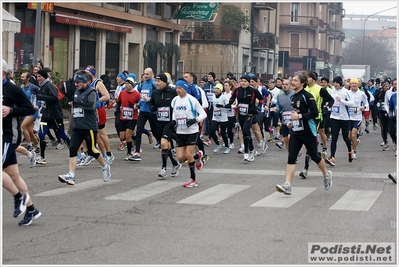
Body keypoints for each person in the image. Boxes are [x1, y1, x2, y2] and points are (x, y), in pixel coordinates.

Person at [275, 71, 332, 195]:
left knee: (315, 156)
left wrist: (299, 116)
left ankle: (326, 174)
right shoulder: (293, 96)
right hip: (296, 131)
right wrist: (291, 121)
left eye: (295, 81)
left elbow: (315, 113)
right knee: (291, 157)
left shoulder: (307, 95)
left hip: (308, 131)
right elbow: (295, 113)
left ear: (302, 83)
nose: (292, 83)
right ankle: (288, 185)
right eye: (292, 80)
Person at [2, 59, 42, 226]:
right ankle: (32, 210)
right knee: (13, 175)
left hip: (8, 136)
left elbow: (29, 108)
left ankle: (19, 196)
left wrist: (11, 110)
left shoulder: (12, 88)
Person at [58, 70, 111, 185]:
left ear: (85, 82)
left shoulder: (91, 91)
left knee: (92, 150)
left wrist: (78, 103)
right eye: (75, 82)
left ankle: (105, 166)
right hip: (78, 126)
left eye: (78, 82)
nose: (76, 84)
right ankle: (71, 175)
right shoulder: (77, 91)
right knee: (73, 149)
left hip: (89, 127)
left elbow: (91, 106)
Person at [171, 79, 207, 187]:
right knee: (180, 157)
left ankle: (193, 179)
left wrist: (195, 120)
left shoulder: (192, 100)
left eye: (180, 88)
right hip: (180, 131)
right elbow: (174, 113)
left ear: (185, 88)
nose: (178, 90)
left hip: (192, 131)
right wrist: (173, 121)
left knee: (188, 154)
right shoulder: (174, 100)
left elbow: (203, 114)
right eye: (177, 88)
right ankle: (198, 156)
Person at [35, 69, 70, 165]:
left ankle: (76, 153)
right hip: (45, 115)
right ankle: (42, 157)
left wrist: (41, 97)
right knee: (41, 135)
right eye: (37, 76)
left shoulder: (49, 85)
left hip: (55, 115)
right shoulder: (41, 86)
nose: (38, 78)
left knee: (62, 135)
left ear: (44, 77)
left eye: (40, 76)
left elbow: (55, 98)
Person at [150, 73, 182, 178]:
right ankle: (175, 163)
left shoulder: (173, 92)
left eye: (159, 81)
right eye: (156, 81)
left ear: (165, 82)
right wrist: (153, 107)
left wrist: (176, 118)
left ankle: (163, 169)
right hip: (159, 122)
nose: (157, 83)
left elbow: (179, 104)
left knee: (163, 143)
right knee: (166, 145)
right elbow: (152, 103)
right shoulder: (155, 92)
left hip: (169, 122)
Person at [226, 75, 264, 162]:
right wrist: (229, 104)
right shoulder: (237, 90)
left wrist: (258, 107)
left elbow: (261, 100)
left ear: (248, 82)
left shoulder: (253, 91)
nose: (243, 83)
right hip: (241, 114)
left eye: (245, 81)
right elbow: (232, 99)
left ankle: (247, 154)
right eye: (241, 81)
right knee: (245, 132)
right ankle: (252, 149)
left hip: (250, 114)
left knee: (246, 131)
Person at [84, 65, 114, 165]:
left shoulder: (98, 83)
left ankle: (109, 154)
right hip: (89, 111)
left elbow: (106, 96)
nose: (86, 75)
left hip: (98, 110)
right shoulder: (85, 83)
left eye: (88, 73)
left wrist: (95, 101)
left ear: (92, 74)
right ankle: (94, 154)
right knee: (90, 135)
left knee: (101, 134)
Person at [325, 76, 355, 167]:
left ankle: (350, 151)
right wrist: (327, 103)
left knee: (346, 138)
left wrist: (341, 100)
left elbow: (352, 103)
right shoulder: (332, 91)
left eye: (337, 83)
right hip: (334, 117)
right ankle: (332, 157)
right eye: (334, 82)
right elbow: (329, 100)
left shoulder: (346, 92)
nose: (335, 84)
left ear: (341, 83)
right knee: (334, 138)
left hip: (344, 118)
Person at [131, 67, 159, 161]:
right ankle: (137, 152)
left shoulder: (154, 84)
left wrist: (150, 99)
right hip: (142, 111)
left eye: (147, 74)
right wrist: (137, 105)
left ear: (151, 74)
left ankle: (168, 145)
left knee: (156, 132)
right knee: (138, 130)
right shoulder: (142, 84)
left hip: (151, 111)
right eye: (144, 74)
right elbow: (142, 98)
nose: (145, 75)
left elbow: (158, 98)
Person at [116, 77, 141, 160]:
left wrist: (135, 106)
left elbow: (140, 104)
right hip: (123, 117)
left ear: (132, 85)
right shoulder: (122, 93)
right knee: (122, 137)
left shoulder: (137, 94)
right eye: (125, 83)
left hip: (133, 117)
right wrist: (117, 110)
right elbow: (119, 102)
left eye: (128, 84)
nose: (126, 85)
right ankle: (135, 139)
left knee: (127, 135)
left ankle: (129, 153)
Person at [20, 72, 40, 152]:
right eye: (21, 77)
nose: (21, 78)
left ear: (28, 78)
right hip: (25, 111)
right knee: (30, 131)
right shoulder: (22, 88)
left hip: (33, 111)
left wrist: (38, 105)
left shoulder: (34, 88)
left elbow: (40, 96)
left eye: (23, 77)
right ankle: (38, 146)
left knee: (22, 126)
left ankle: (29, 145)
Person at [210, 83, 231, 154]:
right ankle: (217, 144)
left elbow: (229, 106)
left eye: (218, 88)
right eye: (215, 88)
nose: (216, 90)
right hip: (215, 116)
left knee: (223, 133)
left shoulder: (224, 97)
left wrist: (222, 106)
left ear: (221, 90)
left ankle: (227, 147)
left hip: (223, 117)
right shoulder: (213, 97)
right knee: (212, 131)